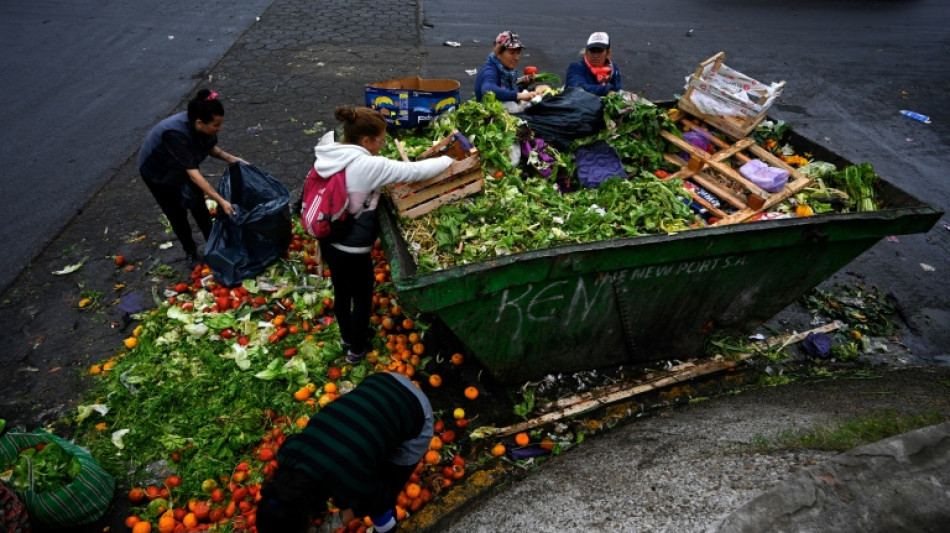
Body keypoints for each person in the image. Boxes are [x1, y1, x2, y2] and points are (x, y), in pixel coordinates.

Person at [314, 106, 452, 365]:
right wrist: (449, 161)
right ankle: (356, 350)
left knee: (342, 292)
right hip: (353, 247)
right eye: (380, 140)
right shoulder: (368, 164)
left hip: (329, 238)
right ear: (365, 141)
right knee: (362, 297)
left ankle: (346, 338)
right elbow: (415, 172)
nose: (382, 145)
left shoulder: (329, 151)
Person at [256, 371, 434, 533]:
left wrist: (336, 522)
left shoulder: (349, 483)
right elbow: (299, 441)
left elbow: (379, 499)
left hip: (416, 411)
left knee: (385, 496)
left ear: (309, 518)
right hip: (380, 381)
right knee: (368, 459)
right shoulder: (287, 453)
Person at [138, 89, 247, 264]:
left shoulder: (200, 125)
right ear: (200, 123)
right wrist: (221, 200)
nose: (221, 128)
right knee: (177, 214)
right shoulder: (176, 135)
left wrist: (233, 159)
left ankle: (215, 245)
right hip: (159, 173)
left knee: (199, 206)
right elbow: (195, 176)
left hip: (183, 168)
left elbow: (210, 148)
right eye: (216, 125)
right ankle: (190, 251)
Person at [474, 30, 544, 104]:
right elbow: (487, 90)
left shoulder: (507, 71)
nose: (517, 58)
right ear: (499, 53)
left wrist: (524, 85)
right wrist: (520, 96)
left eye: (518, 53)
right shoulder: (489, 70)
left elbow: (507, 92)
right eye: (512, 53)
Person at [565, 32, 622, 96]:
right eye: (592, 50)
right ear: (586, 52)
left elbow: (617, 90)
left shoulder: (613, 69)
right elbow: (577, 88)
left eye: (600, 51)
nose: (595, 55)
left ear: (608, 53)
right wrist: (607, 89)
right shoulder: (576, 67)